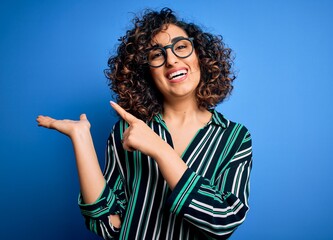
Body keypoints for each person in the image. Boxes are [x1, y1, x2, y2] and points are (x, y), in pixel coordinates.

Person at [37, 7, 252, 240]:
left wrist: (159, 149)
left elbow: (223, 222)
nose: (171, 60)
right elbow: (109, 224)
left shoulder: (235, 138)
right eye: (157, 55)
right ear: (146, 73)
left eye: (181, 47)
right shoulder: (127, 131)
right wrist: (81, 139)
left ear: (200, 55)